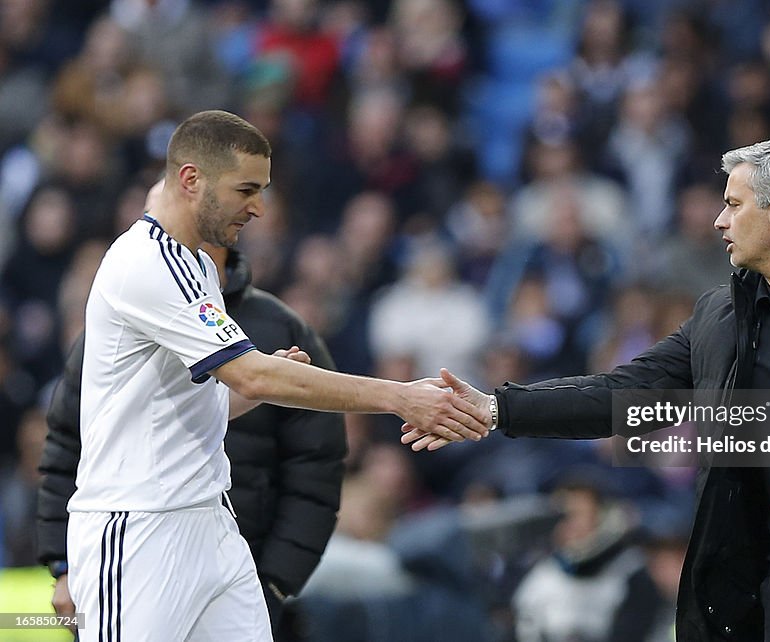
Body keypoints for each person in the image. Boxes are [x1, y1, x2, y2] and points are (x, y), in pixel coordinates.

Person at [404, 136, 770, 641]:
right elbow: (625, 393)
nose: (718, 220)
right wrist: (497, 408)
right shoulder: (720, 316)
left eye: (733, 204)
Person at [64, 110, 490, 642]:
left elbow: (200, 403)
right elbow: (252, 377)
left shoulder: (194, 263)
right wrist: (402, 397)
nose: (259, 208)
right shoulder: (147, 264)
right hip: (137, 529)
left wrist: (268, 382)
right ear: (192, 180)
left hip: (209, 518)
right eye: (246, 189)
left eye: (262, 190)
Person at [37, 238, 348, 636]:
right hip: (137, 548)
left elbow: (316, 470)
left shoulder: (280, 326)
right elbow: (67, 445)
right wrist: (63, 566)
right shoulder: (115, 319)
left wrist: (274, 581)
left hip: (232, 552)